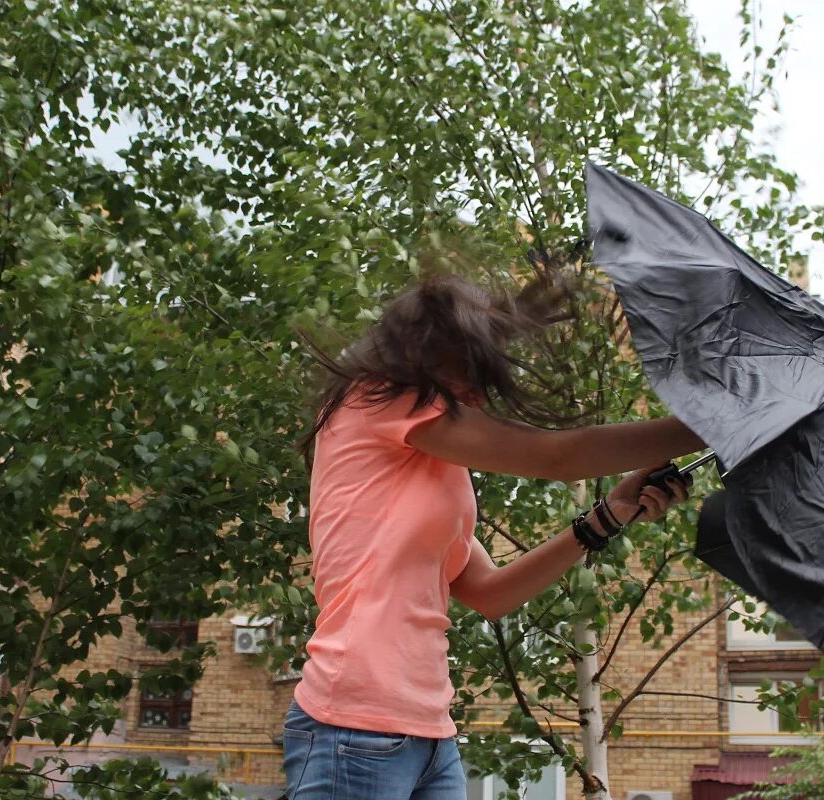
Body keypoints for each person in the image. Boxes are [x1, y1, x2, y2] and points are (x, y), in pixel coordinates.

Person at [283, 272, 704, 799]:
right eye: (471, 373)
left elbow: (490, 592)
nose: (480, 395)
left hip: (430, 731)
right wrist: (721, 423)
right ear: (427, 352)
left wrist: (610, 514)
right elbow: (559, 456)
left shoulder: (438, 464)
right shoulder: (374, 400)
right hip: (353, 725)